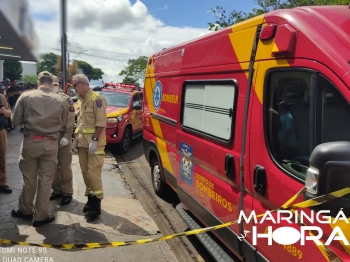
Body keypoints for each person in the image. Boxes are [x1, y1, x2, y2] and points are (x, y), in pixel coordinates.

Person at [11, 71, 69, 227]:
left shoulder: (26, 96)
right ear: (51, 83)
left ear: (38, 82)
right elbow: (62, 123)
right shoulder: (62, 100)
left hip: (30, 142)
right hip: (50, 144)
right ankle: (41, 216)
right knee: (46, 181)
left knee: (29, 179)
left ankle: (25, 211)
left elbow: (15, 120)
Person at [73, 73, 107, 218]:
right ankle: (90, 200)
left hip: (95, 144)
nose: (74, 88)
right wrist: (75, 138)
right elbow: (80, 122)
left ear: (83, 84)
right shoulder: (79, 100)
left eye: (75, 85)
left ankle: (96, 205)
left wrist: (94, 139)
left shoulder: (97, 99)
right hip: (82, 143)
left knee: (93, 174)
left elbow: (101, 122)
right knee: (85, 173)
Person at [50, 76, 75, 205]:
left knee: (64, 165)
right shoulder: (46, 98)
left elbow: (71, 118)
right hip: (49, 136)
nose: (53, 86)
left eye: (55, 84)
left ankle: (67, 192)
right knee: (52, 165)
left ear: (59, 85)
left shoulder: (66, 100)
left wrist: (67, 135)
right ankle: (57, 190)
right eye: (51, 84)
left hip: (62, 135)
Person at [0, 93, 12, 193]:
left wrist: (3, 111)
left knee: (1, 157)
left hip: (0, 131)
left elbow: (9, 113)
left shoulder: (1, 96)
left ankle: (2, 182)